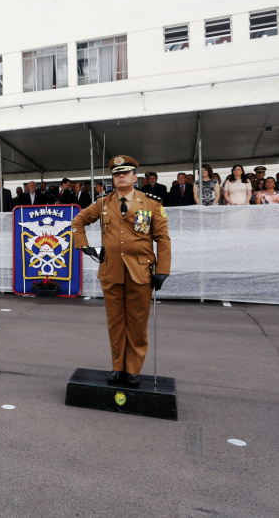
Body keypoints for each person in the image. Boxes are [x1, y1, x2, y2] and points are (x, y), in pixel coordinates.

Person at [71, 155, 171, 387]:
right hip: (111, 271)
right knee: (115, 323)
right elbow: (78, 222)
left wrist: (163, 269)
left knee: (136, 323)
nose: (121, 177)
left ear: (135, 177)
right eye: (117, 174)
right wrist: (86, 247)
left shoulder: (152, 203)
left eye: (125, 173)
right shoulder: (103, 203)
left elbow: (163, 239)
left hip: (141, 273)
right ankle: (118, 366)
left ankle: (133, 369)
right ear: (113, 179)